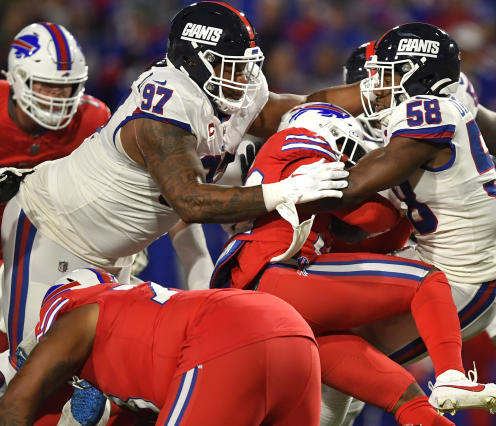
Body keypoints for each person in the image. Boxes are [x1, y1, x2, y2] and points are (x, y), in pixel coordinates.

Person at [0, 1, 357, 389]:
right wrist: (281, 192)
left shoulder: (222, 95)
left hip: (113, 249)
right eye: (231, 64)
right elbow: (191, 201)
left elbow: (302, 107)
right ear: (194, 61)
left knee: (97, 376)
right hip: (52, 231)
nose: (244, 76)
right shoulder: (165, 106)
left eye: (245, 64)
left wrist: (375, 96)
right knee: (30, 372)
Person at [213, 102, 496, 424]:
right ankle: (450, 376)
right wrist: (398, 196)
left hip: (279, 290)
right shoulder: (299, 141)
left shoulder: (281, 153)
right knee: (426, 281)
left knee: (405, 398)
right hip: (275, 272)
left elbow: (373, 241)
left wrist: (398, 213)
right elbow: (369, 215)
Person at [330, 38, 496, 426]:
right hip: (419, 246)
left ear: (414, 77)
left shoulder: (435, 108)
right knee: (344, 344)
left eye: (382, 78)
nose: (370, 93)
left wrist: (283, 191)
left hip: (464, 253)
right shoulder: (395, 112)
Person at [0, 268, 320, 425]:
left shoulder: (79, 314)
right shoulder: (137, 311)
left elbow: (16, 402)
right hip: (292, 332)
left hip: (227, 337)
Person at [0, 21, 111, 356]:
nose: (60, 97)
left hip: (46, 249)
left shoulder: (92, 118)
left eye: (68, 86)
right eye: (48, 86)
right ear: (18, 79)